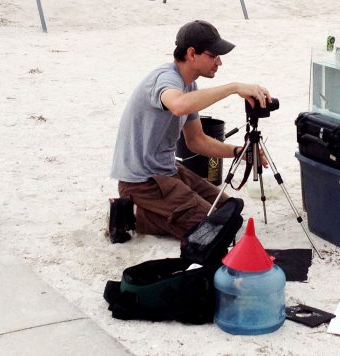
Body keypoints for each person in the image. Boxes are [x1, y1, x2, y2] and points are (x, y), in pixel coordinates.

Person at [108, 20, 272, 244]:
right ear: (192, 53)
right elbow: (178, 105)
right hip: (142, 181)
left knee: (227, 210)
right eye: (214, 55)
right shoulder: (165, 79)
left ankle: (153, 211)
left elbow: (196, 141)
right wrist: (233, 88)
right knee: (211, 230)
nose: (219, 62)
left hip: (168, 170)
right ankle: (132, 214)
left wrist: (239, 152)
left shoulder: (189, 85)